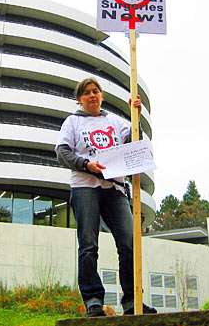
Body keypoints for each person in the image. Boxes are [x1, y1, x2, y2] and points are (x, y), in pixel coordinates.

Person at [55, 77, 157, 317]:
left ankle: (133, 300)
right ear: (79, 99)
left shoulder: (114, 121)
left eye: (96, 91)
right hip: (84, 187)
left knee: (129, 242)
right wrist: (86, 164)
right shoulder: (72, 122)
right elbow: (62, 152)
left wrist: (136, 117)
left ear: (101, 96)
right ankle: (93, 300)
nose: (93, 95)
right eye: (87, 92)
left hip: (114, 189)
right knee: (89, 245)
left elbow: (134, 141)